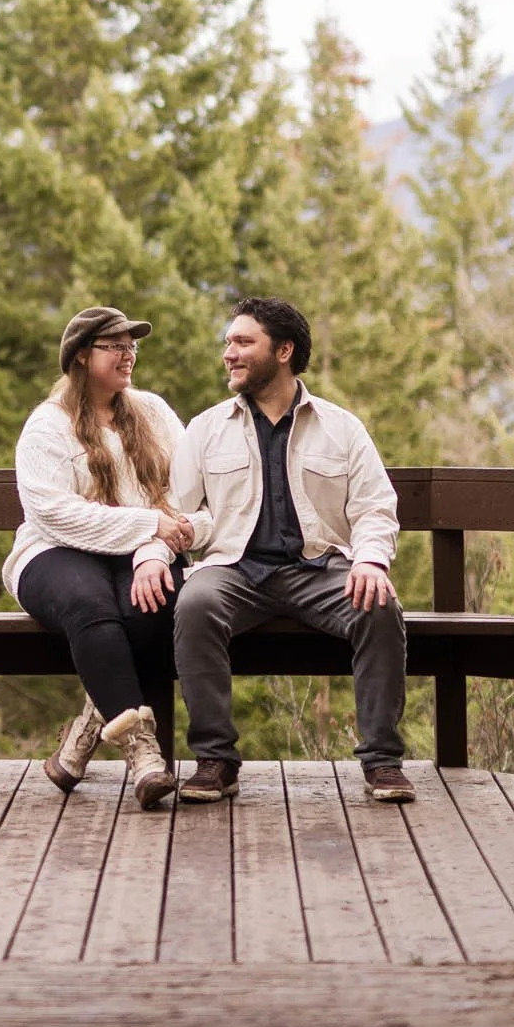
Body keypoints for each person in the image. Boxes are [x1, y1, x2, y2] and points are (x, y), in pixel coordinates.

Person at [166, 295, 415, 804]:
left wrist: (369, 559)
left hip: (320, 568)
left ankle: (383, 762)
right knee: (194, 605)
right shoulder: (206, 428)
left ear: (283, 351)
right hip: (233, 569)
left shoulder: (342, 427)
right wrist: (172, 539)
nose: (229, 353)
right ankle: (215, 759)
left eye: (242, 342)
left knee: (380, 605)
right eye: (228, 342)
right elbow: (176, 509)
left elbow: (374, 508)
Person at [5, 306, 194, 810]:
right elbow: (53, 513)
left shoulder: (153, 412)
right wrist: (146, 524)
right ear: (83, 357)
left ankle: (88, 727)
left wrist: (154, 548)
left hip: (141, 552)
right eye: (116, 346)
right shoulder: (48, 425)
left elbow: (182, 497)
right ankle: (143, 754)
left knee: (152, 610)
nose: (129, 354)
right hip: (54, 552)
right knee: (91, 608)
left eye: (133, 345)